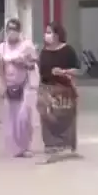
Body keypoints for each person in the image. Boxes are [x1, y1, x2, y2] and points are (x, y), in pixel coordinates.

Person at [0, 18, 38, 157]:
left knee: (24, 117)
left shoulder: (26, 46)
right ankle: (16, 148)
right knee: (12, 118)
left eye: (15, 29)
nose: (12, 32)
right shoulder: (0, 48)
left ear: (19, 31)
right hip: (9, 85)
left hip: (25, 85)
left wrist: (22, 62)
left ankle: (25, 146)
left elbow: (33, 64)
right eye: (9, 29)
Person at [37, 22, 80, 163]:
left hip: (64, 89)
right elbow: (41, 72)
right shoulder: (44, 52)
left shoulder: (68, 50)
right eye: (46, 32)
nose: (46, 35)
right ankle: (51, 145)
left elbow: (77, 70)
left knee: (65, 117)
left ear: (57, 34)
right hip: (47, 89)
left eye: (49, 32)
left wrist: (63, 72)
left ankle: (65, 145)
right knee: (47, 116)